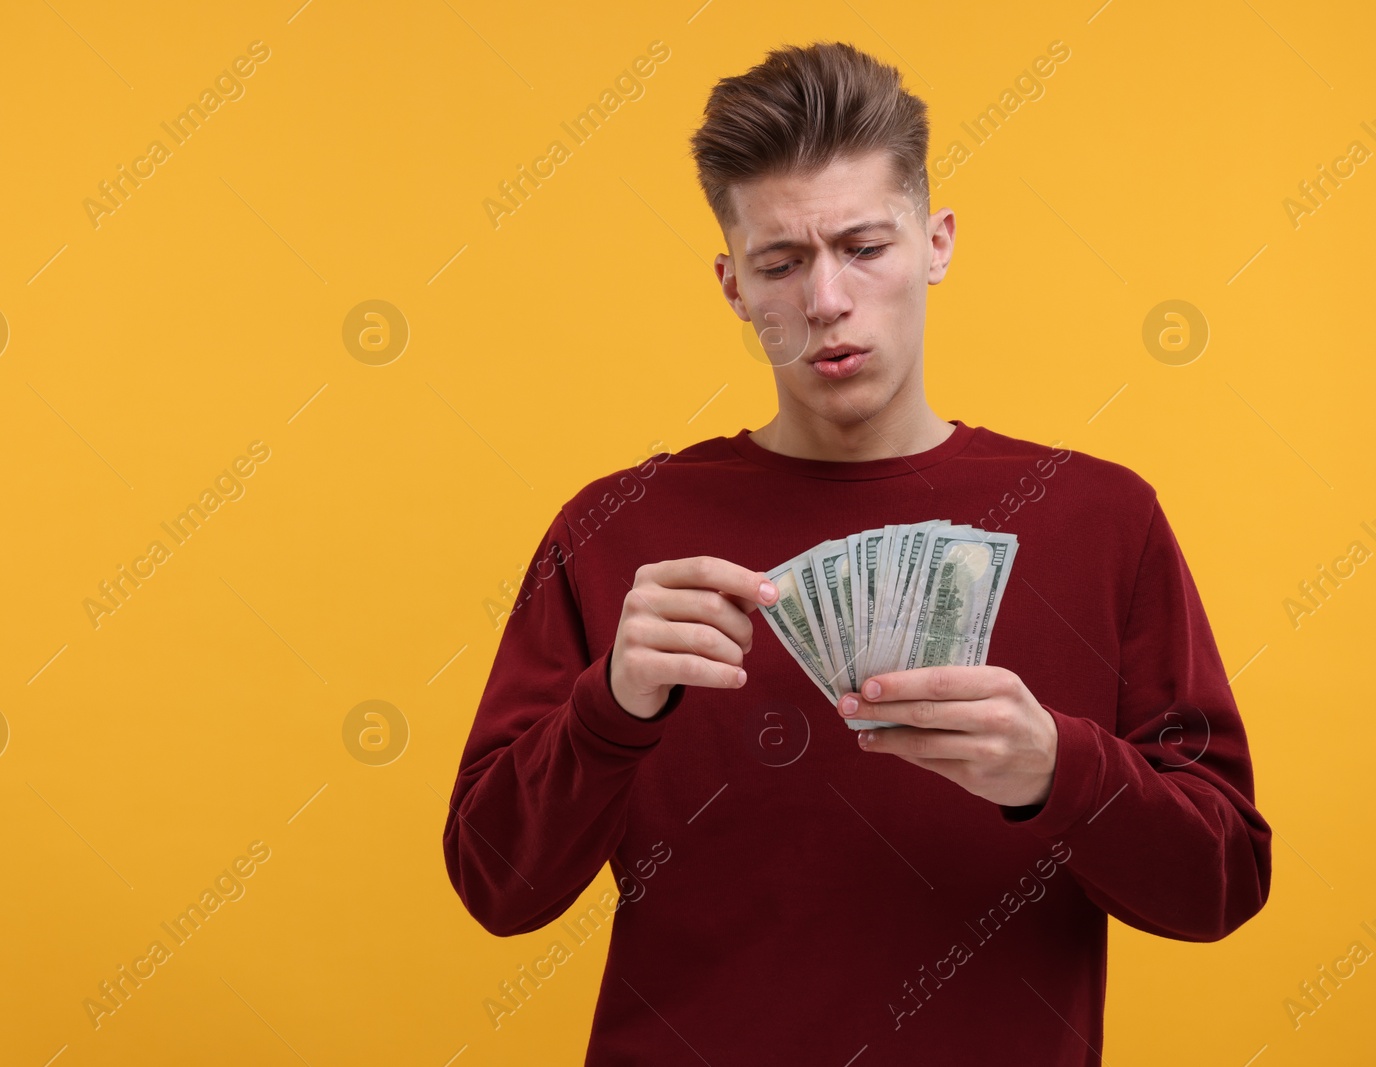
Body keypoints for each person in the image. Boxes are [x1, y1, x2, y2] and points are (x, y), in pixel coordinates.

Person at [442, 40, 1270, 1066]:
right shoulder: (618, 531)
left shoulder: (1102, 518)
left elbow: (1220, 884)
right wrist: (607, 708)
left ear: (938, 242)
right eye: (780, 263)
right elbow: (496, 887)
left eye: (864, 247)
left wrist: (1059, 767)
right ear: (732, 285)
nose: (825, 300)